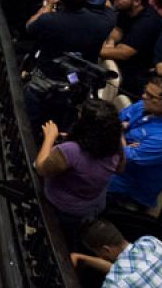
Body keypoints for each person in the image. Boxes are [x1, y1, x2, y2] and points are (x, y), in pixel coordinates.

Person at [35, 100, 124, 238]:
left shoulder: (70, 152)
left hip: (63, 208)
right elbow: (120, 169)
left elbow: (41, 168)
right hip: (94, 205)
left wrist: (49, 138)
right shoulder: (116, 147)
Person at [108, 74, 162, 211]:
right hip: (112, 167)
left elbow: (120, 158)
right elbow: (113, 122)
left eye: (151, 96)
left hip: (125, 192)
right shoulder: (146, 106)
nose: (144, 96)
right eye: (146, 91)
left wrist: (119, 132)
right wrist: (122, 141)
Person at [101, 0, 162, 100]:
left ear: (137, 1)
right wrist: (110, 44)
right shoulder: (126, 10)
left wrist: (92, 49)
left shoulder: (147, 23)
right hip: (133, 61)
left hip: (146, 71)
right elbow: (117, 31)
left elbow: (124, 53)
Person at [72, 219, 162, 287]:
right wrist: (84, 259)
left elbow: (123, 274)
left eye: (97, 253)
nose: (100, 257)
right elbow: (128, 270)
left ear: (106, 250)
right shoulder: (151, 242)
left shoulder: (115, 285)